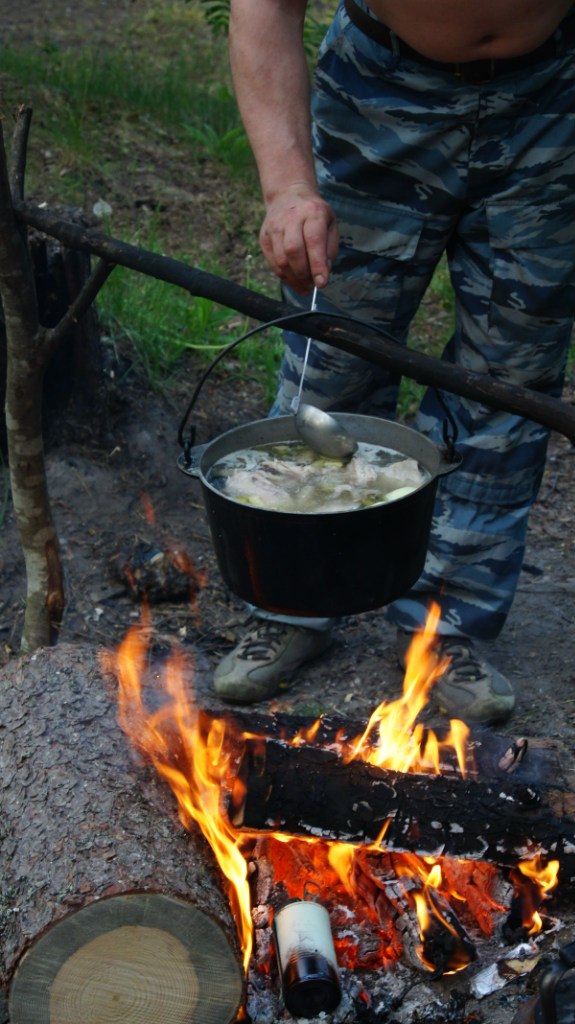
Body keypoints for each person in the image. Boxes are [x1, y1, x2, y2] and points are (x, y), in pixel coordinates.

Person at [214, 0, 575, 723]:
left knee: (508, 383)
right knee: (333, 356)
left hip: (553, 101)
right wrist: (288, 189)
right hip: (378, 97)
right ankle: (294, 602)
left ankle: (447, 624)